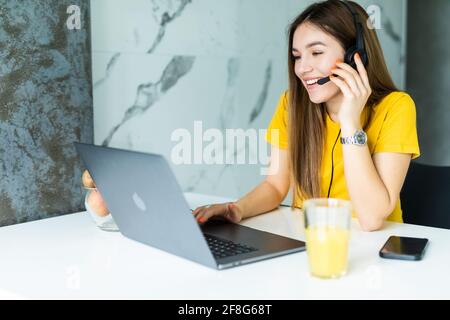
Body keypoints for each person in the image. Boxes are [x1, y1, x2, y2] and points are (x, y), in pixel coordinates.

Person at [83, 0, 420, 232]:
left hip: (373, 255)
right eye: (296, 56)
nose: (302, 68)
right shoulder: (294, 104)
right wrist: (236, 209)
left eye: (317, 52)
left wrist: (350, 122)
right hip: (309, 246)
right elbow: (276, 184)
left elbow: (373, 218)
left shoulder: (396, 107)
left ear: (355, 55)